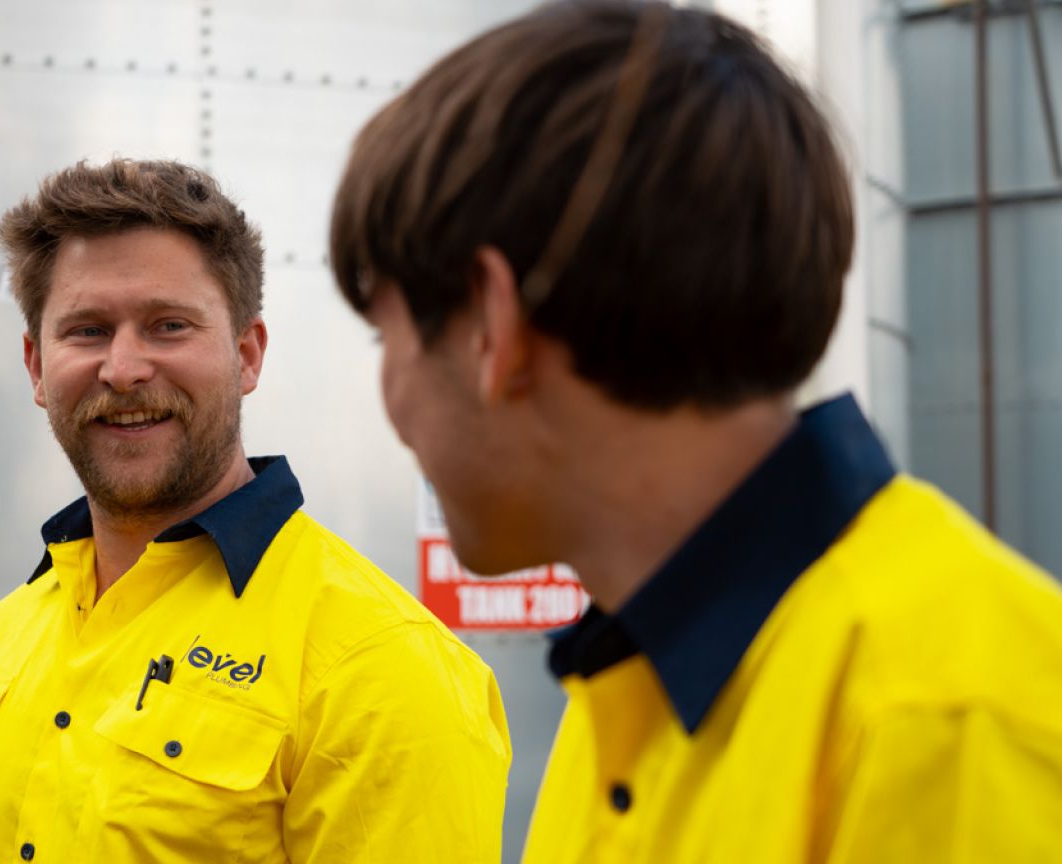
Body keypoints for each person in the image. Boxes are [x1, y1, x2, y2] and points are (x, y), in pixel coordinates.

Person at [329, 1, 1062, 860]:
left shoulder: (945, 715)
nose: (389, 398)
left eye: (388, 335)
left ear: (492, 327)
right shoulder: (625, 681)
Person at [0, 158, 510, 862]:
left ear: (247, 354)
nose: (125, 368)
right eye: (86, 331)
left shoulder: (379, 665)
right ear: (36, 368)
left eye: (168, 326)